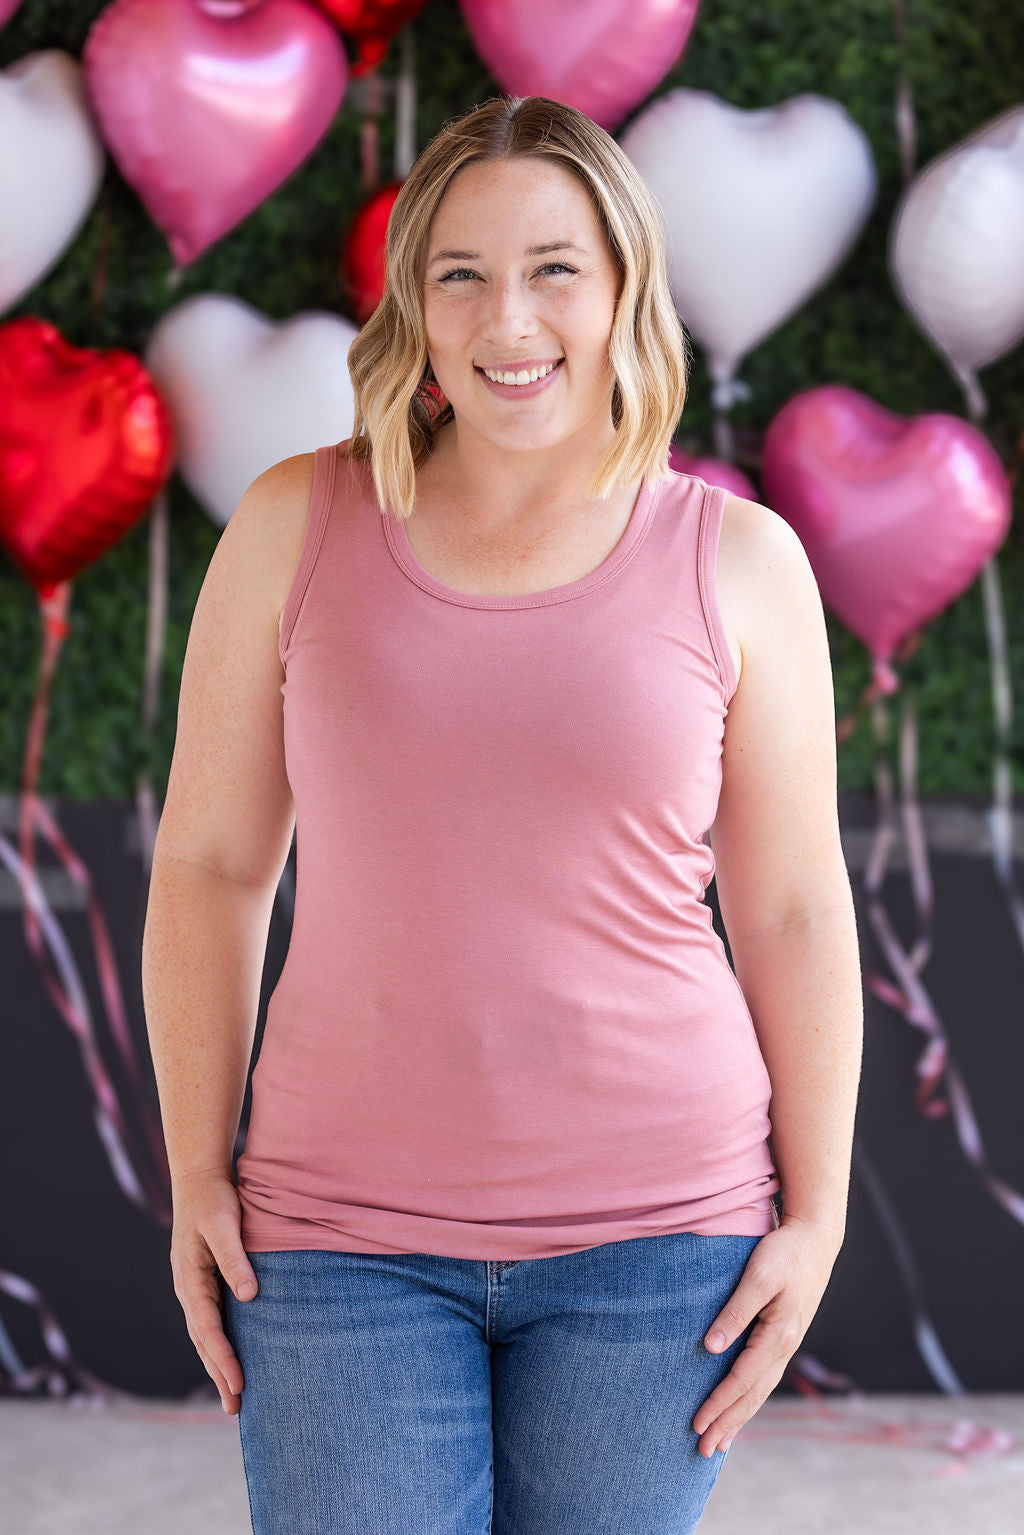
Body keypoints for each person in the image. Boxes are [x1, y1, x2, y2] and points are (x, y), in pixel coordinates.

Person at [142, 94, 863, 1535]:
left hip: (664, 1242)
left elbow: (790, 905)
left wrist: (819, 1213)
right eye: (459, 270)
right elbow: (216, 866)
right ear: (412, 299)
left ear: (622, 290)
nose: (506, 316)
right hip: (340, 1238)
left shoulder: (744, 563)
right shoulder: (295, 523)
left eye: (554, 268)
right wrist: (195, 1167)